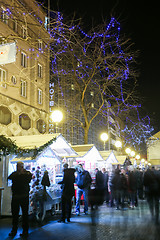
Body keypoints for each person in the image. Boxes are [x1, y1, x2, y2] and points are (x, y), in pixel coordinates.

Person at [7, 161, 32, 237]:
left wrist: (19, 175)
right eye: (17, 166)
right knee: (15, 214)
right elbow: (9, 177)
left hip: (22, 196)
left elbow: (27, 179)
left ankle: (24, 231)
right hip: (17, 196)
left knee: (24, 214)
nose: (18, 168)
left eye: (19, 166)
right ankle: (15, 230)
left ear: (22, 167)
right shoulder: (19, 174)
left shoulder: (26, 174)